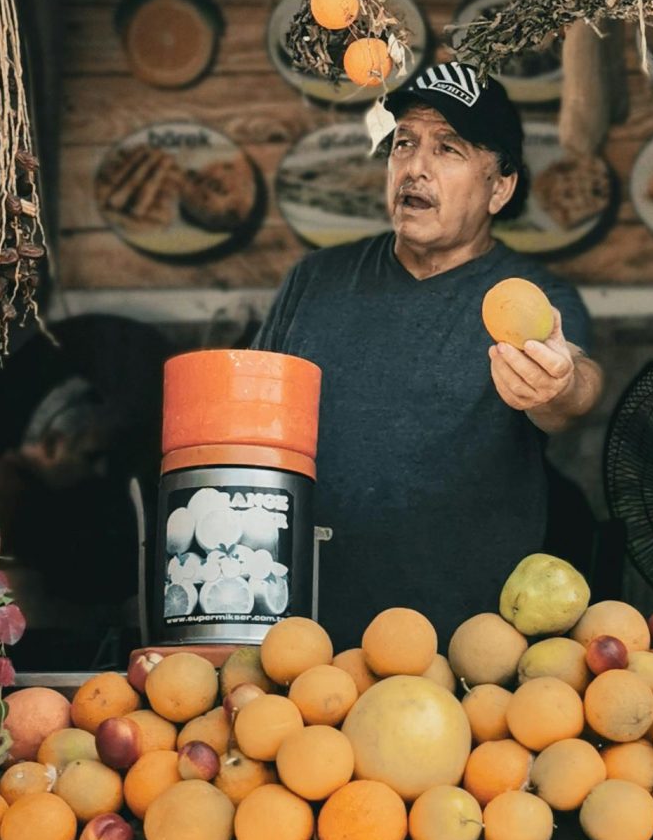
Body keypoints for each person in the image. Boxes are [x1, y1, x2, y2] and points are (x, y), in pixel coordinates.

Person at [255, 61, 602, 648]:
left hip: (466, 643)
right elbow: (252, 426)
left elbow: (576, 387)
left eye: (448, 149)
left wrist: (561, 385)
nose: (415, 166)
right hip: (306, 634)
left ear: (500, 188)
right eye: (404, 143)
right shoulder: (315, 281)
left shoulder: (528, 299)